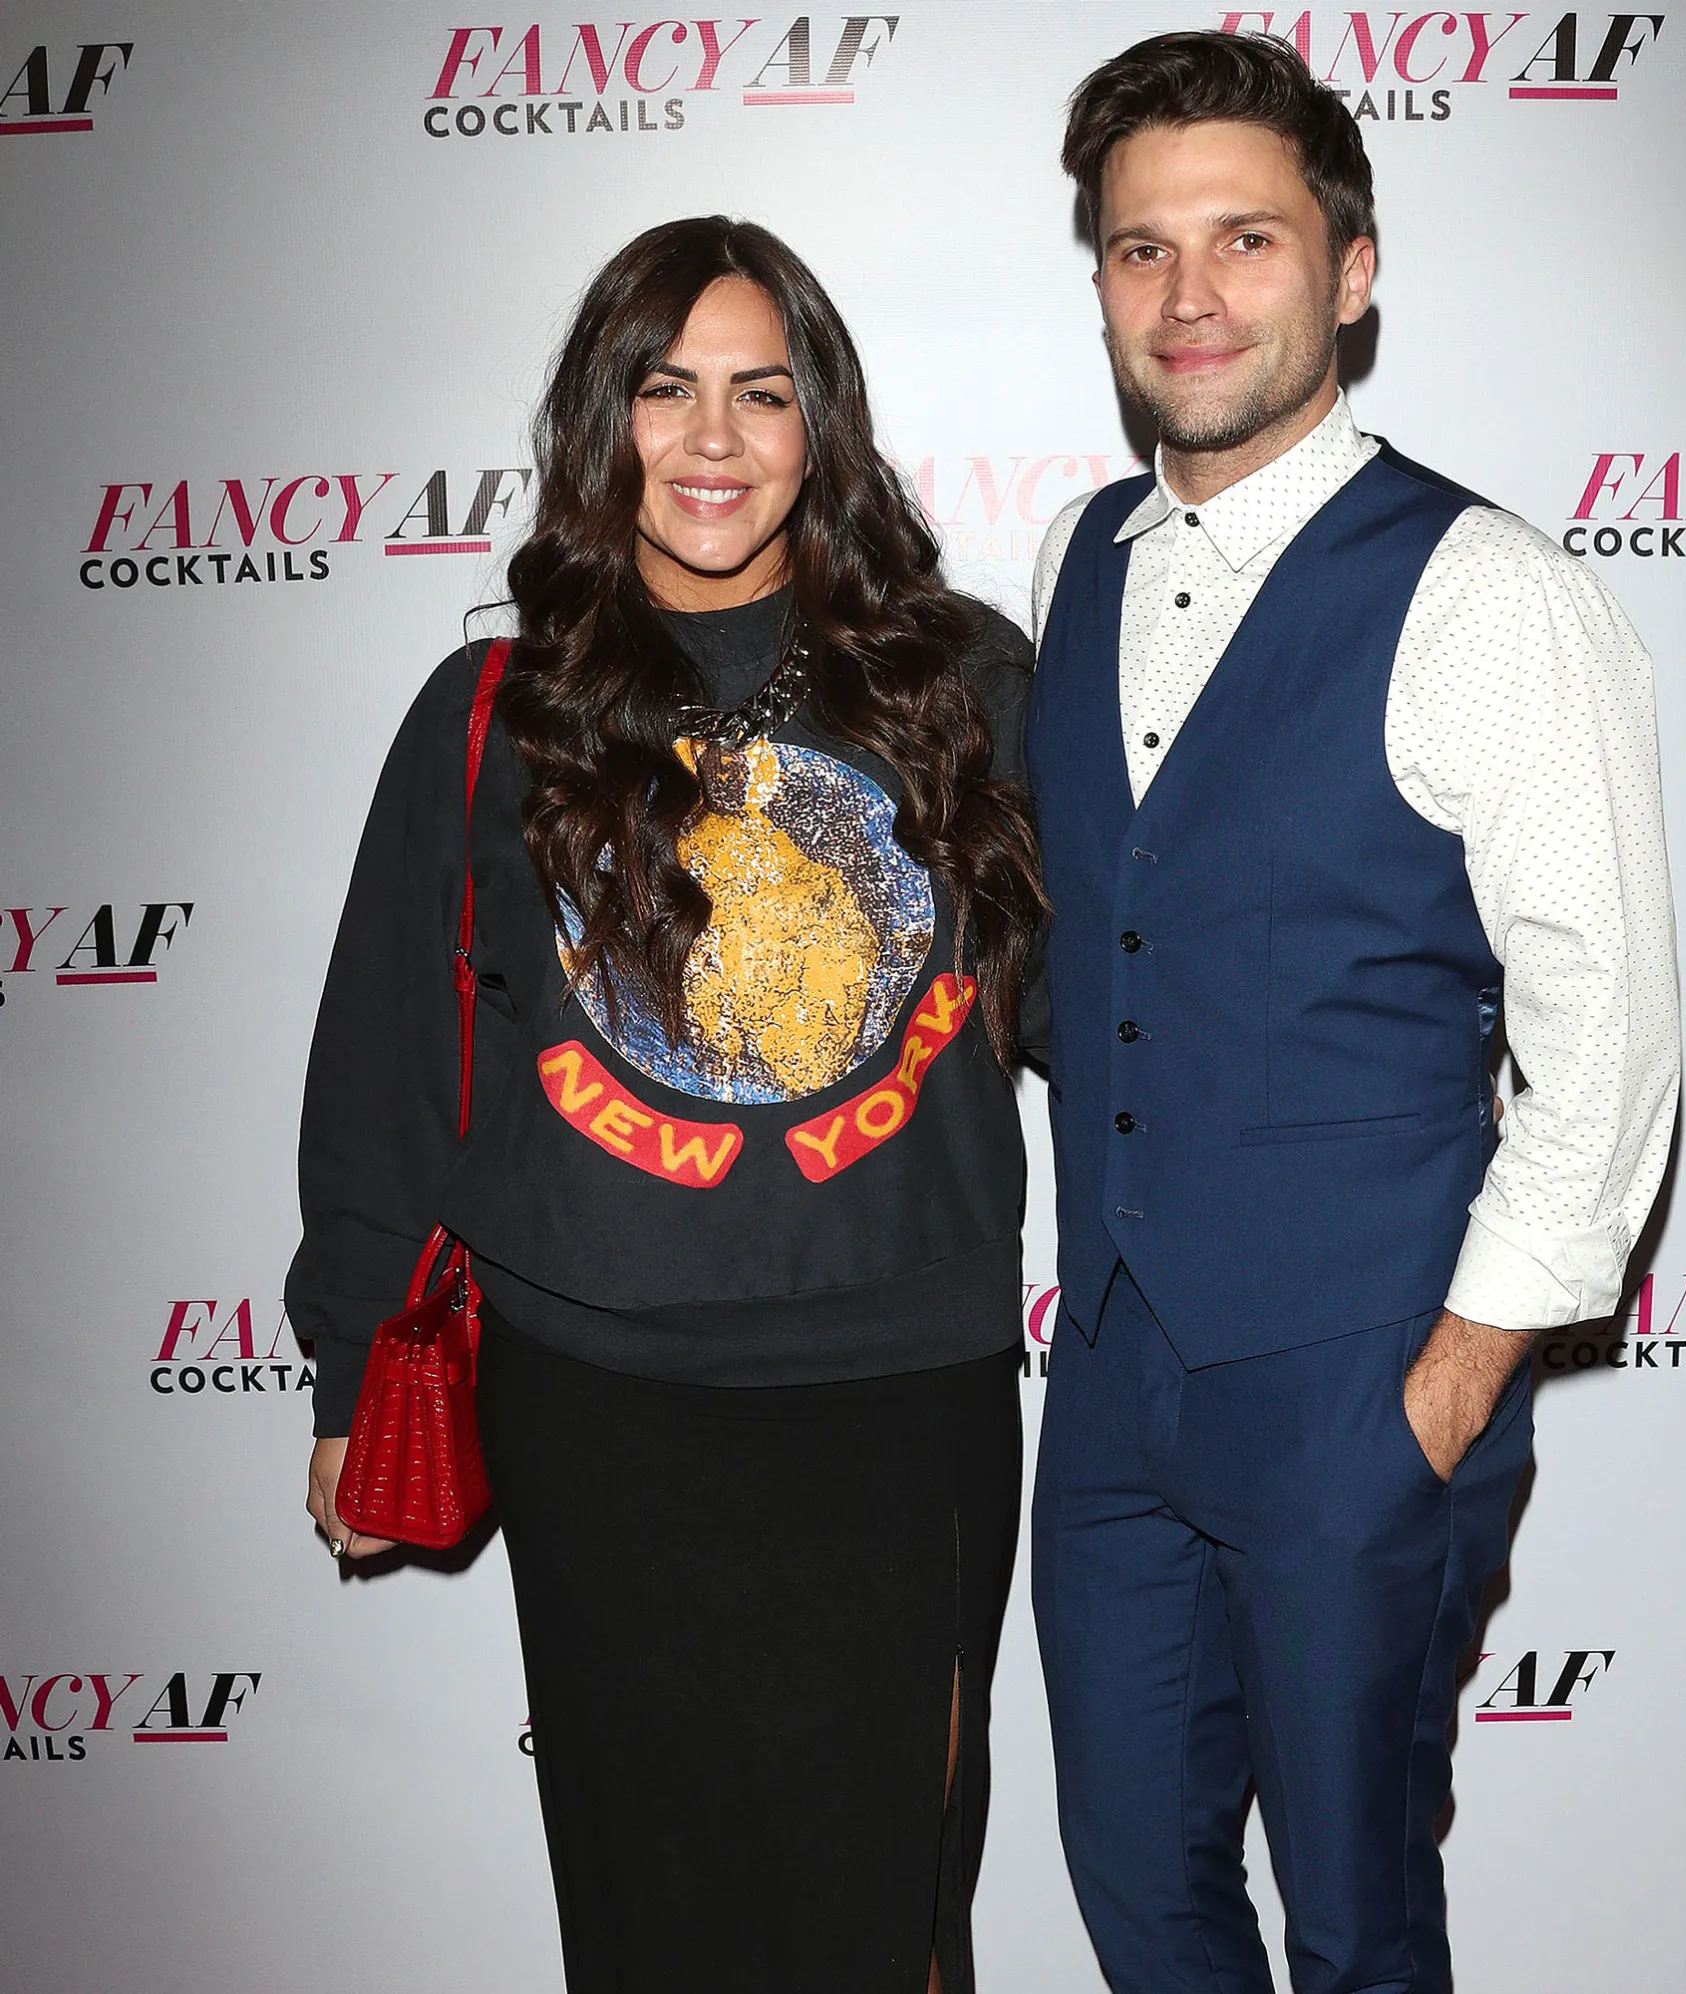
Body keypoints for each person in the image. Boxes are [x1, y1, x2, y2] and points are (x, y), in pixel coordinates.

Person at [287, 215, 1048, 1994]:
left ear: (819, 426)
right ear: (601, 418)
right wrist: (347, 1369)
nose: (713, 439)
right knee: (654, 1921)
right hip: (598, 1398)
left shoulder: (960, 679)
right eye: (666, 388)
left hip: (895, 1389)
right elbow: (386, 1061)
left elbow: (1098, 997)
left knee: (890, 1917)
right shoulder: (492, 710)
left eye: (761, 393)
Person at [1025, 32, 1679, 1994]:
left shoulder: (1489, 593)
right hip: (1112, 1371)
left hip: (1358, 1381)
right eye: (1141, 248)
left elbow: (1604, 1039)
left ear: (1351, 267)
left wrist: (1443, 1392)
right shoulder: (1071, 559)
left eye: (1245, 238)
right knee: (1137, 1894)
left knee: (1355, 1927)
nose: (1190, 293)